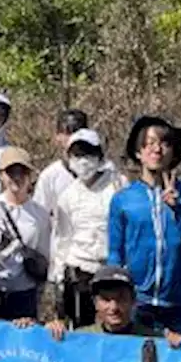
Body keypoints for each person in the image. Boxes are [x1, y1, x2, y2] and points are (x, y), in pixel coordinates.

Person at [108, 116, 181, 335]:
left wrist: (179, 211)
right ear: (138, 152)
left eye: (165, 144)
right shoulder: (123, 199)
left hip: (174, 302)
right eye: (149, 144)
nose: (157, 150)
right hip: (136, 301)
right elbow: (114, 254)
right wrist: (116, 298)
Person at [48, 128, 123, 328]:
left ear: (99, 155)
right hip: (80, 272)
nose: (83, 161)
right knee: (82, 330)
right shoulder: (67, 195)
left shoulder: (118, 185)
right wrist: (57, 276)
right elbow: (62, 238)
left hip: (111, 270)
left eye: (88, 154)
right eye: (77, 155)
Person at [0, 146, 50, 320]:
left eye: (22, 172)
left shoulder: (40, 214)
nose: (16, 178)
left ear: (29, 176)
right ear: (1, 175)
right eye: (10, 172)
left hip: (24, 293)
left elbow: (44, 254)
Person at [45, 265, 181, 348]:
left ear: (133, 300)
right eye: (106, 299)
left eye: (121, 299)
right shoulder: (79, 338)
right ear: (95, 303)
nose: (114, 307)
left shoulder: (151, 340)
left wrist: (177, 346)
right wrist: (46, 333)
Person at [33, 108, 90, 215]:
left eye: (78, 132)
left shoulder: (102, 172)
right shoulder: (49, 177)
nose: (74, 138)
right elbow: (40, 218)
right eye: (68, 133)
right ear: (58, 137)